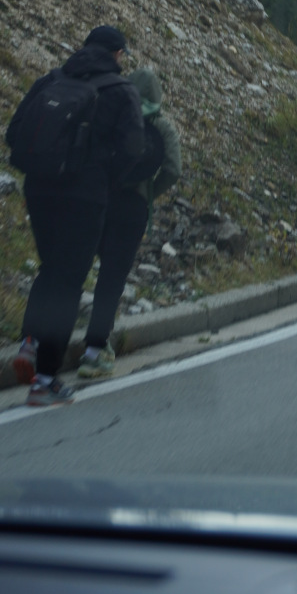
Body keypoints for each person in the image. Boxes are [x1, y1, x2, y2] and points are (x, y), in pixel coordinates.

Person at [6, 25, 144, 406]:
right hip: (85, 197)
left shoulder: (52, 80)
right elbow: (133, 148)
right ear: (118, 54)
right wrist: (105, 181)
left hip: (38, 189)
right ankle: (45, 381)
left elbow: (14, 132)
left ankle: (30, 340)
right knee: (68, 282)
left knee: (51, 269)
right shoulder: (122, 91)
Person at [77, 67, 182, 381]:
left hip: (97, 200)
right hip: (132, 207)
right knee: (111, 278)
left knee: (77, 267)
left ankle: (46, 342)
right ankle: (95, 351)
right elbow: (173, 169)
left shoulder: (108, 114)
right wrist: (150, 191)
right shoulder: (162, 124)